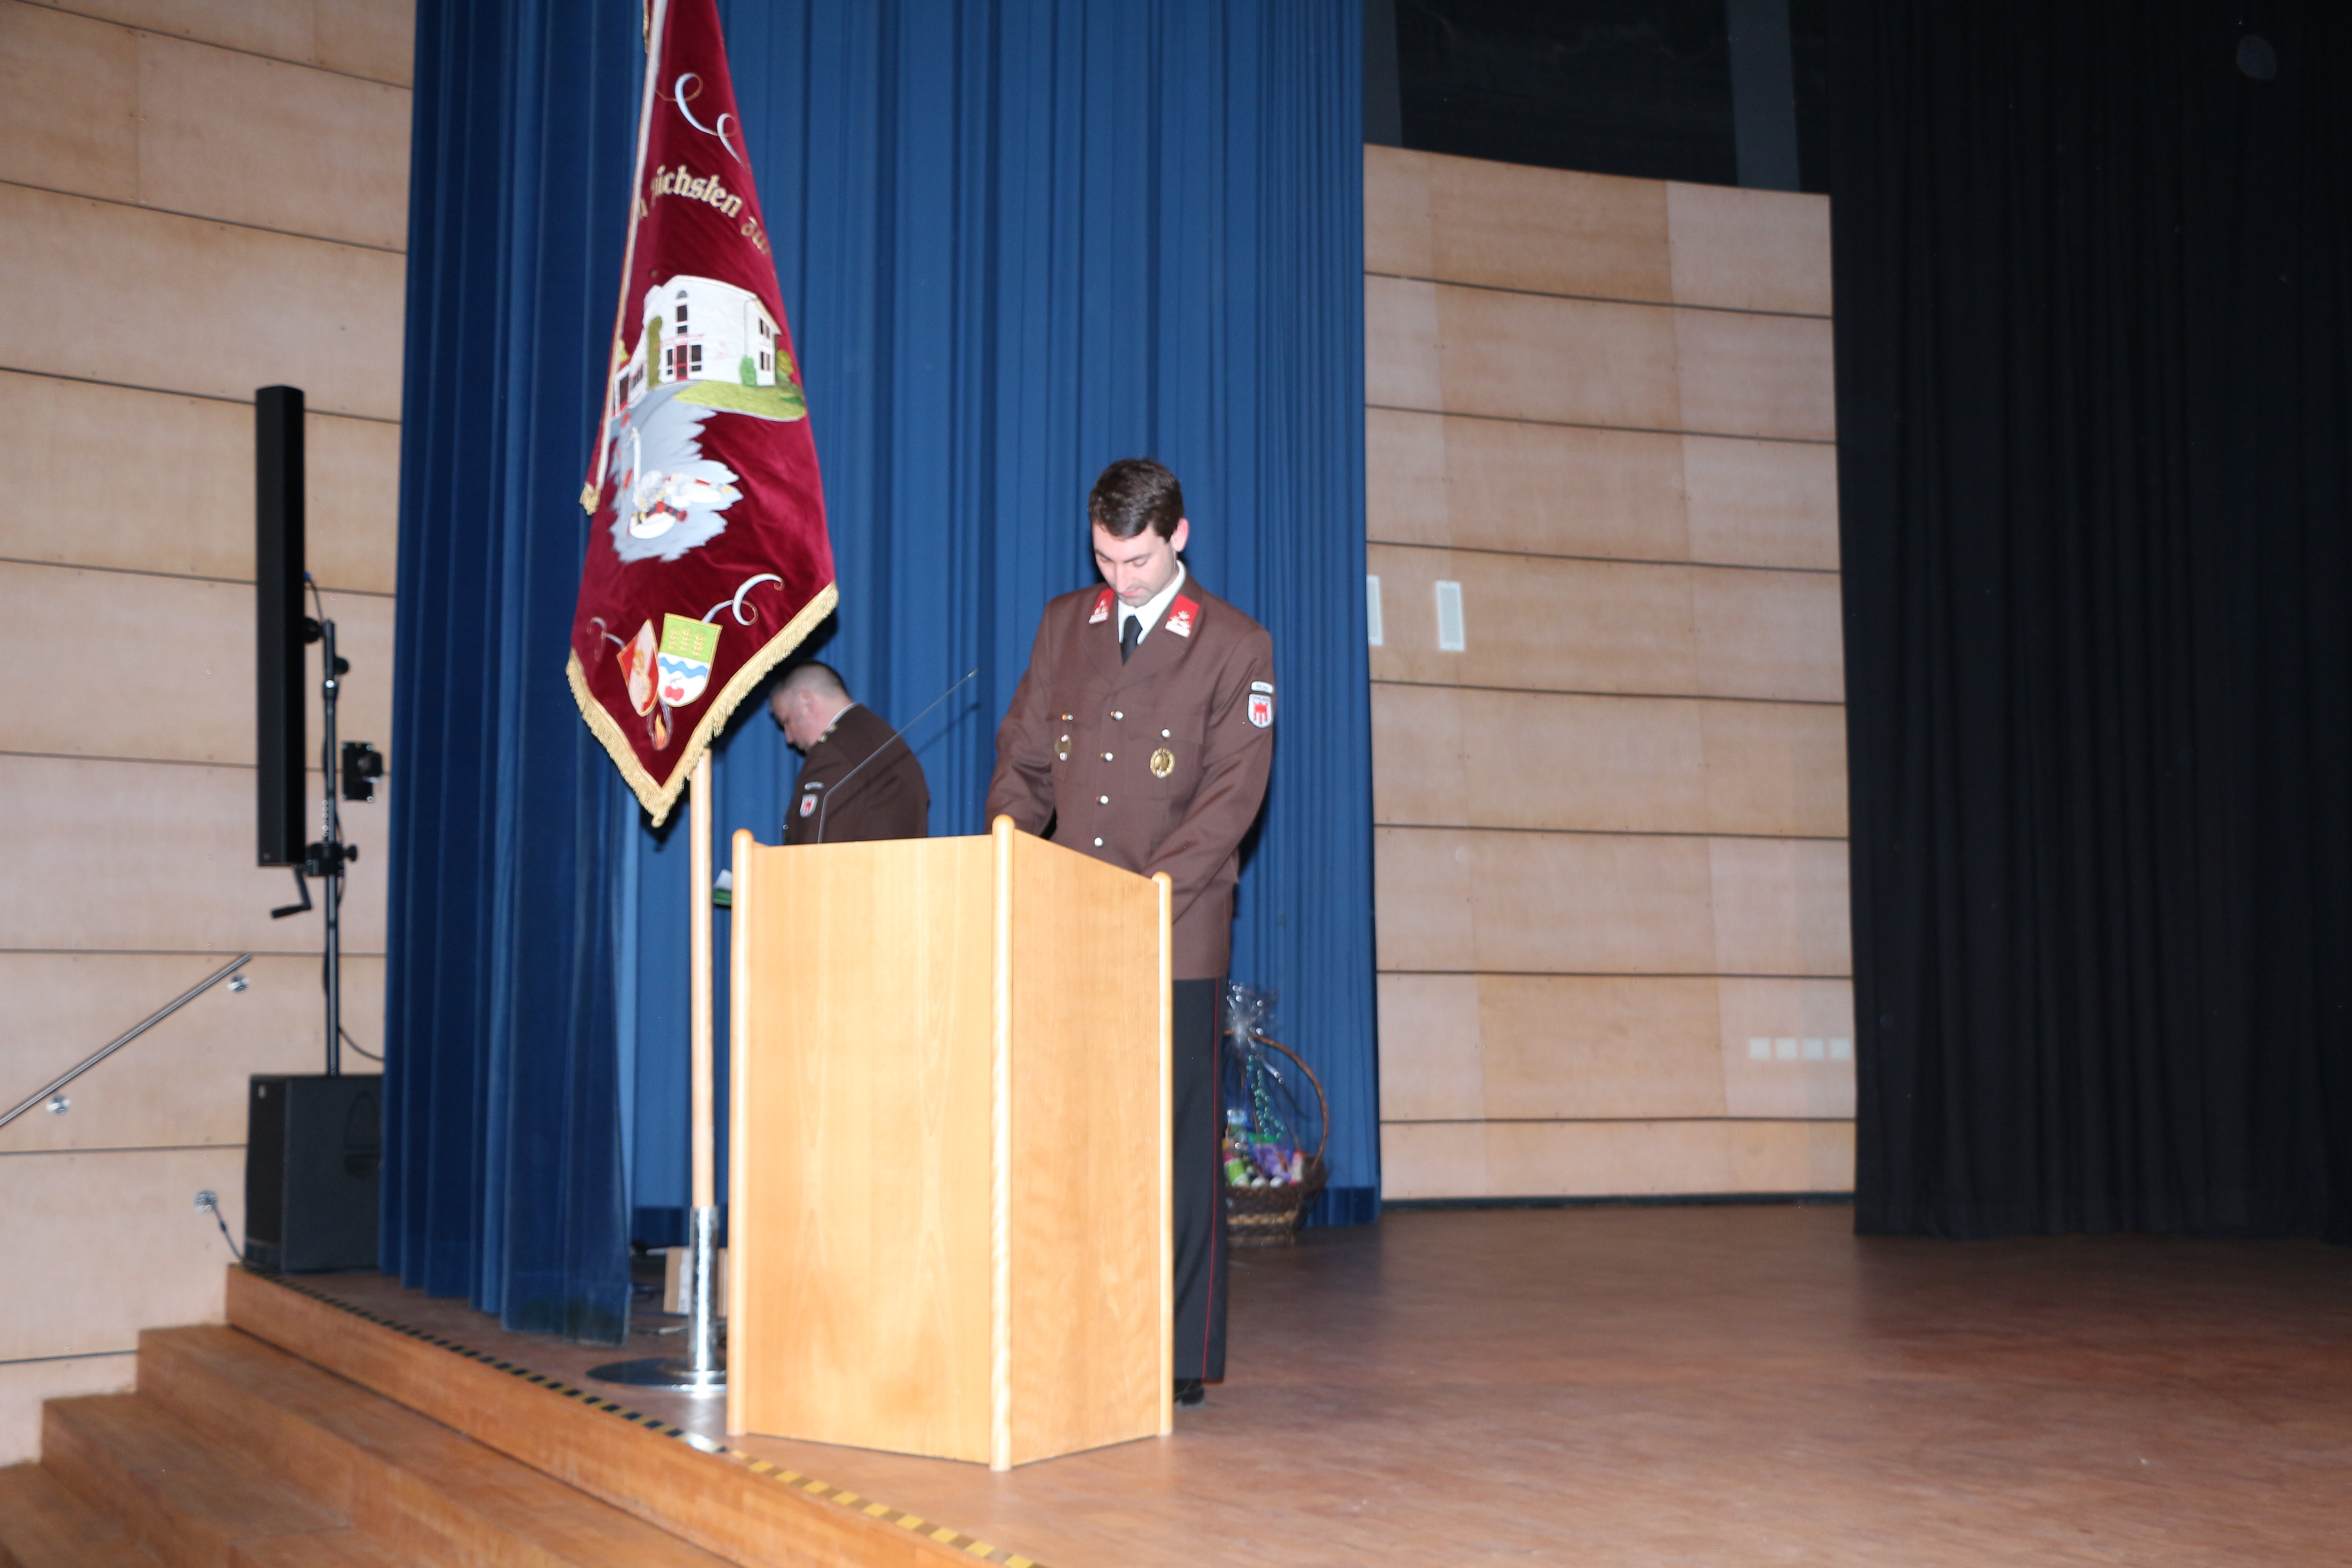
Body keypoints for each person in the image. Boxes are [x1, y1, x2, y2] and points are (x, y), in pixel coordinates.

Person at [986, 457, 1275, 1407]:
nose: (1122, 579)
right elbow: (1026, 759)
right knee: (1070, 1134)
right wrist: (1007, 845)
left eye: (1139, 561)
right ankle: (1075, 1325)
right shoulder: (1066, 624)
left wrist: (1143, 896)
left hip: (1172, 930)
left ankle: (1178, 1354)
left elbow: (1231, 799)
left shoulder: (1234, 644)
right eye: (1106, 560)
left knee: (1177, 1148)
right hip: (1069, 923)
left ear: (1178, 536)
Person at [771, 662, 930, 845]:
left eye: (786, 721)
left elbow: (814, 852)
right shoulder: (888, 742)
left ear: (806, 703)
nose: (789, 738)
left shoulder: (832, 754)